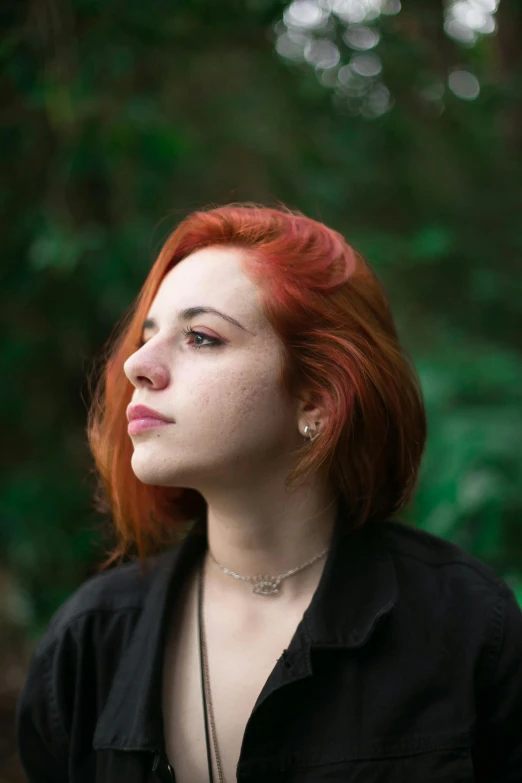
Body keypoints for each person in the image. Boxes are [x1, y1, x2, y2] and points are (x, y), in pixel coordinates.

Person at [16, 203, 522, 783]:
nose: (137, 364)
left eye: (201, 338)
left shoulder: (467, 626)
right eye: (148, 336)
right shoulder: (87, 646)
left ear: (317, 398)